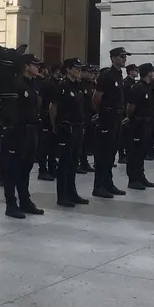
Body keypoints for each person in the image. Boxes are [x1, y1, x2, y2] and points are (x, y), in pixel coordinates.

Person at [0, 55, 44, 218]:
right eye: (35, 65)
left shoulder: (33, 85)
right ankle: (11, 204)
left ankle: (25, 201)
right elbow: (4, 108)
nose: (38, 67)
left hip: (31, 131)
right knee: (12, 170)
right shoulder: (15, 84)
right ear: (26, 66)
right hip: (17, 132)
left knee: (26, 168)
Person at [91, 47, 129, 199]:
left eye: (125, 56)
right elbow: (96, 98)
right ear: (113, 58)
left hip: (117, 118)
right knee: (103, 154)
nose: (124, 59)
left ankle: (108, 183)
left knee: (111, 153)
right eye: (121, 56)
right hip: (107, 118)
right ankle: (98, 186)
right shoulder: (106, 75)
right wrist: (102, 113)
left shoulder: (119, 75)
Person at [49, 58, 88, 207]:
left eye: (80, 68)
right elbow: (53, 108)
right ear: (69, 69)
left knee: (73, 162)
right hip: (66, 128)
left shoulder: (78, 86)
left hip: (78, 127)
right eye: (76, 68)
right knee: (64, 163)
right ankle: (62, 195)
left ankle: (72, 193)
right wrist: (56, 126)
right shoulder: (62, 85)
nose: (79, 71)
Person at [124, 63, 154, 190]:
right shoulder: (137, 88)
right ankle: (133, 179)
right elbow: (130, 108)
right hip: (137, 124)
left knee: (142, 151)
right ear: (148, 73)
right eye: (152, 71)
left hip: (146, 124)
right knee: (134, 153)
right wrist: (133, 119)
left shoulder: (148, 87)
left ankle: (140, 176)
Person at [37, 62, 61, 181]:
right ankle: (42, 169)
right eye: (57, 72)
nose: (59, 74)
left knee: (53, 146)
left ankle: (52, 167)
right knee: (44, 146)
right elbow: (40, 100)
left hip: (56, 118)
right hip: (46, 117)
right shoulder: (46, 84)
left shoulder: (59, 84)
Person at [118, 63, 139, 164]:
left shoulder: (133, 82)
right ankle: (122, 155)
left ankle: (127, 153)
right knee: (123, 135)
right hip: (125, 110)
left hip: (130, 110)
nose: (137, 72)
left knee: (129, 135)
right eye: (135, 70)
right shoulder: (126, 83)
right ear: (130, 71)